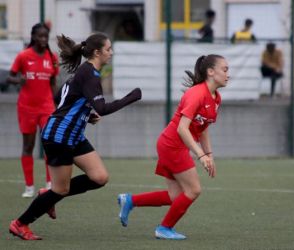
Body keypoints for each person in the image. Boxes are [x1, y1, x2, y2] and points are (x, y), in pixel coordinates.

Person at [9, 32, 142, 240]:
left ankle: (47, 195)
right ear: (97, 52)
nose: (111, 53)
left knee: (99, 177)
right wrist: (130, 98)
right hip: (59, 137)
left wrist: (84, 115)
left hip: (74, 135)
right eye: (108, 49)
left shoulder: (85, 72)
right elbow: (102, 108)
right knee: (60, 190)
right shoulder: (89, 74)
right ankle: (20, 223)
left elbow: (59, 97)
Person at [117, 54, 229, 240]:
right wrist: (201, 155)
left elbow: (203, 129)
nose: (228, 74)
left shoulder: (216, 98)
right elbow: (182, 128)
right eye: (224, 69)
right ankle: (164, 228)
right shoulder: (196, 94)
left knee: (175, 196)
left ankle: (130, 201)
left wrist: (210, 155)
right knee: (193, 190)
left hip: (173, 145)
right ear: (211, 72)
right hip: (172, 145)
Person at [7, 23, 59, 198]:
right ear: (33, 37)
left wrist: (56, 103)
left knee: (49, 145)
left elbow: (53, 82)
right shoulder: (23, 56)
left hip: (47, 107)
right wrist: (17, 81)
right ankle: (29, 187)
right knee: (28, 146)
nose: (43, 39)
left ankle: (50, 184)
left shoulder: (52, 58)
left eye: (46, 36)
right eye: (40, 36)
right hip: (26, 108)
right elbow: (10, 76)